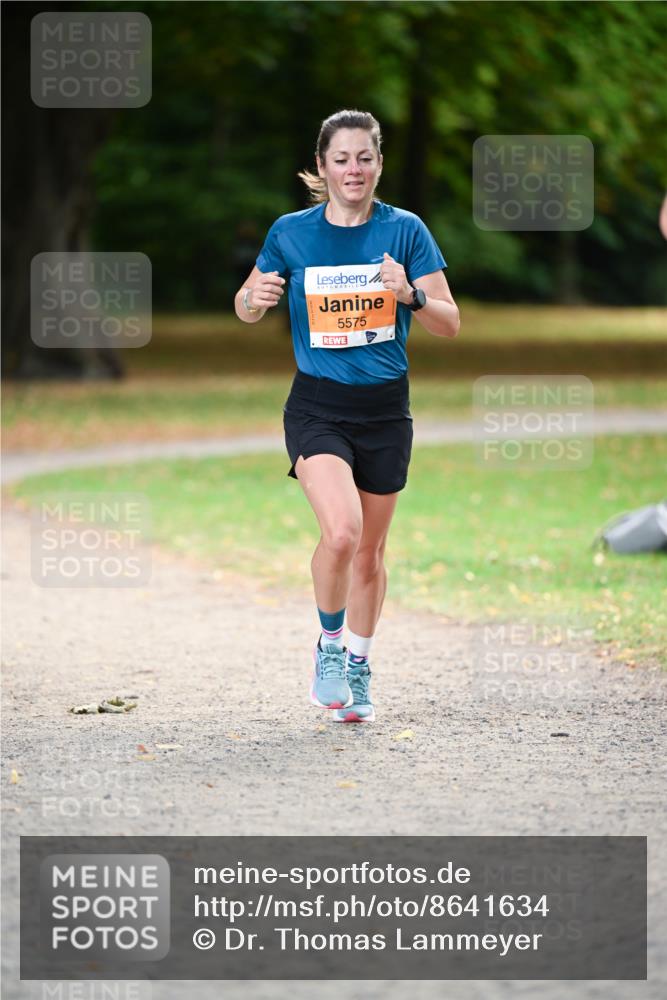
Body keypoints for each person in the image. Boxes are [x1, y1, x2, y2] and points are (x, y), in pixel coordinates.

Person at [234, 109, 459, 723]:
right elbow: (246, 303)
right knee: (341, 533)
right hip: (318, 408)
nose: (353, 169)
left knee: (370, 553)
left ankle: (359, 666)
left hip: (386, 412)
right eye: (341, 159)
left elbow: (449, 320)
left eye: (364, 157)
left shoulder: (407, 231)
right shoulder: (292, 232)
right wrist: (253, 300)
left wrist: (408, 293)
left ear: (379, 163)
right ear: (322, 167)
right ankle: (329, 649)